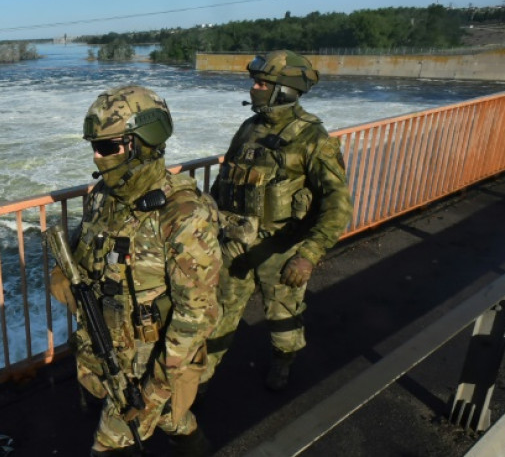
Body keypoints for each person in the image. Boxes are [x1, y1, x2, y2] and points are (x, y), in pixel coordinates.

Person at [48, 85, 222, 456]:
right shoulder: (103, 198)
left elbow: (197, 315)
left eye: (108, 148)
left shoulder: (183, 215)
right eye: (95, 146)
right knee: (174, 421)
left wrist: (152, 390)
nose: (98, 158)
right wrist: (63, 270)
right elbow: (84, 251)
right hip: (106, 347)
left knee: (110, 443)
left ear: (143, 143)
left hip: (151, 366)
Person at [205, 50, 352, 391]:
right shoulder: (249, 127)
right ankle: (199, 382)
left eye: (262, 83)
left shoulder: (313, 138)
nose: (254, 88)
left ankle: (283, 364)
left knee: (283, 316)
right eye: (256, 82)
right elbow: (225, 180)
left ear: (284, 90)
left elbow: (338, 204)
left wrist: (309, 254)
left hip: (281, 249)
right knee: (219, 314)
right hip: (236, 245)